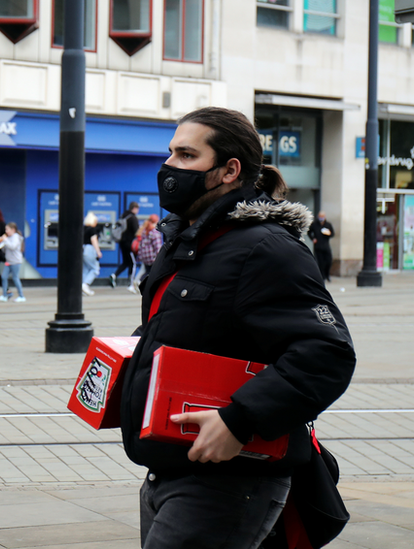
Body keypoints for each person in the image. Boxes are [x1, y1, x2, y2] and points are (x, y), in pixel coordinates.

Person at [118, 107, 356, 549]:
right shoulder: (191, 241)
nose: (170, 166)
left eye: (187, 155)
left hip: (228, 480)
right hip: (170, 466)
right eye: (170, 153)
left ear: (230, 170)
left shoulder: (265, 248)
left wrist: (238, 421)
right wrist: (132, 362)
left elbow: (327, 353)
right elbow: (198, 327)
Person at [111, 202, 141, 288]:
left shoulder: (123, 216)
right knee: (133, 263)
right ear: (135, 208)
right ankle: (131, 283)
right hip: (130, 244)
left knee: (126, 262)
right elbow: (137, 232)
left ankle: (114, 275)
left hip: (122, 243)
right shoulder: (133, 218)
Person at [131, 214, 162, 293]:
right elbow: (158, 247)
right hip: (152, 257)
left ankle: (138, 282)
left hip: (145, 257)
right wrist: (160, 258)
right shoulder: (155, 232)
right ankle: (141, 283)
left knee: (146, 271)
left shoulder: (144, 230)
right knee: (152, 273)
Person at [0, 222, 26, 302]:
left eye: (7, 229)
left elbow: (13, 247)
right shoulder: (9, 237)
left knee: (15, 278)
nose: (6, 231)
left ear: (13, 230)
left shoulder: (16, 237)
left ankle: (21, 296)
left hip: (15, 261)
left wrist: (5, 240)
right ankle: (4, 295)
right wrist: (2, 244)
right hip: (9, 261)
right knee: (4, 276)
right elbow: (5, 249)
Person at [308, 211, 335, 282]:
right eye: (320, 216)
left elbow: (332, 234)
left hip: (326, 245)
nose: (321, 218)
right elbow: (309, 232)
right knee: (320, 262)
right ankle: (322, 276)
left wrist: (328, 234)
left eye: (322, 216)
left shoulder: (328, 225)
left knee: (328, 260)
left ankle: (327, 274)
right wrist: (313, 238)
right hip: (318, 246)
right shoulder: (314, 224)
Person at [81, 212, 102, 296]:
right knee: (95, 269)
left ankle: (83, 288)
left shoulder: (83, 228)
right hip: (89, 249)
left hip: (82, 249)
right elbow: (94, 240)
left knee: (85, 269)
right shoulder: (92, 229)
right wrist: (98, 252)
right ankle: (85, 284)